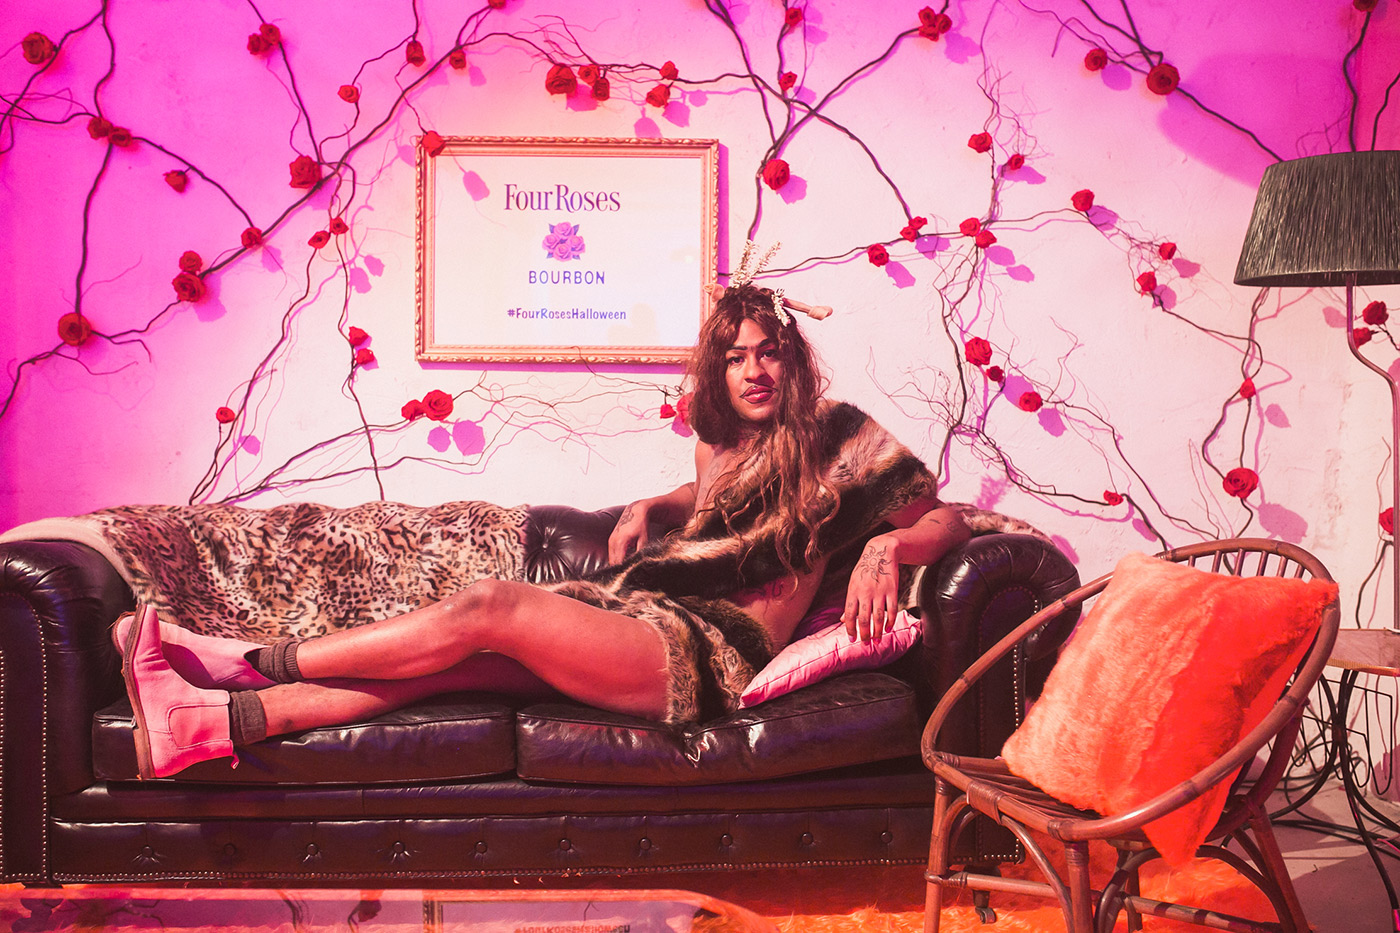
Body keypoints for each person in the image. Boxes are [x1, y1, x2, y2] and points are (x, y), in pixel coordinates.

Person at [119, 278, 971, 779]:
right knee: (452, 668)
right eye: (735, 356)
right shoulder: (716, 445)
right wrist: (662, 504)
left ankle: (243, 658)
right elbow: (719, 508)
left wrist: (890, 544)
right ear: (717, 369)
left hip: (707, 650)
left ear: (792, 356)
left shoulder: (841, 437)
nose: (754, 370)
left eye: (769, 351)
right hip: (640, 610)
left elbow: (948, 518)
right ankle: (204, 727)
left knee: (489, 605)